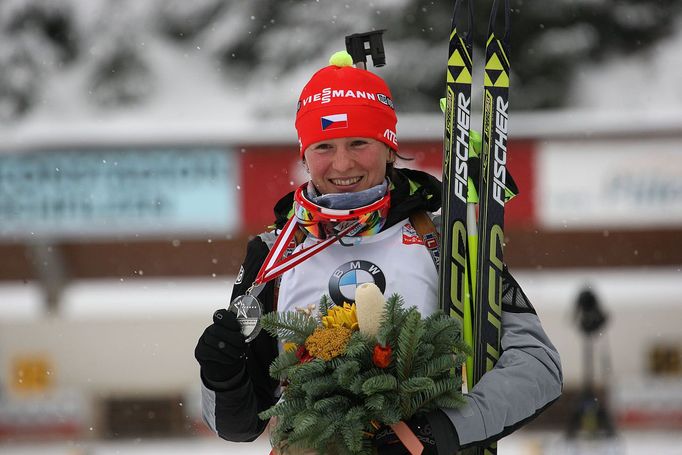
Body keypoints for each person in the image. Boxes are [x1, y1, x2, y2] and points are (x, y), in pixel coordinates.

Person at [194, 54, 563, 454]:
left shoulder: (447, 237)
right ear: (304, 155)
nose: (342, 163)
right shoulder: (273, 255)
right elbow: (237, 426)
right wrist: (224, 377)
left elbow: (537, 365)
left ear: (389, 148)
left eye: (359, 143)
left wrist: (443, 430)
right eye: (324, 146)